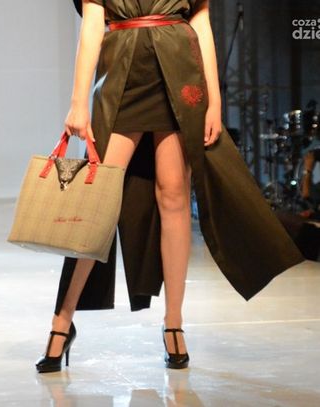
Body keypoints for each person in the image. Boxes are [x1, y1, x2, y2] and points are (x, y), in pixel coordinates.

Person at [35, 0, 304, 373]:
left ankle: (174, 322)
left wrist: (214, 101)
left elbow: (201, 23)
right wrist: (78, 103)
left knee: (174, 196)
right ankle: (63, 320)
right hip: (122, 74)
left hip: (179, 74)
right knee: (96, 201)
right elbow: (92, 26)